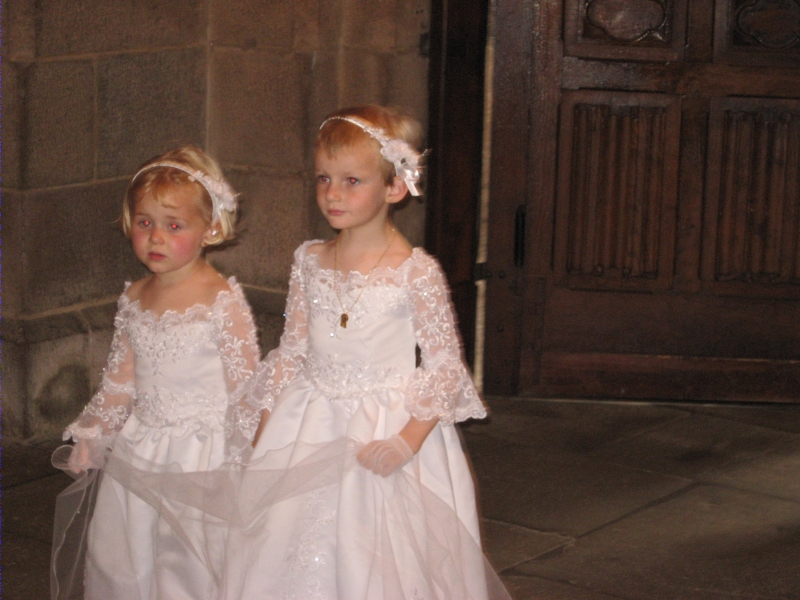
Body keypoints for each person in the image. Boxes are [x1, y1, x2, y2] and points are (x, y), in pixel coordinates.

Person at [223, 106, 511, 599]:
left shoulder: (415, 271)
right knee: (287, 545)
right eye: (324, 179)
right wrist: (266, 433)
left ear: (394, 188)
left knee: (373, 557)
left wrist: (407, 440)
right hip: (309, 422)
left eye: (352, 180)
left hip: (385, 429)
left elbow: (444, 367)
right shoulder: (308, 259)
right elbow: (291, 352)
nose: (333, 193)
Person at [51, 146, 262, 600]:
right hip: (140, 450)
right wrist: (95, 431)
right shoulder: (135, 297)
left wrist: (247, 457)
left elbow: (246, 386)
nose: (156, 238)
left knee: (189, 563)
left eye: (173, 226)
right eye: (144, 223)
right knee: (126, 554)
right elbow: (121, 376)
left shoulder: (221, 299)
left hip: (201, 457)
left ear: (211, 230)